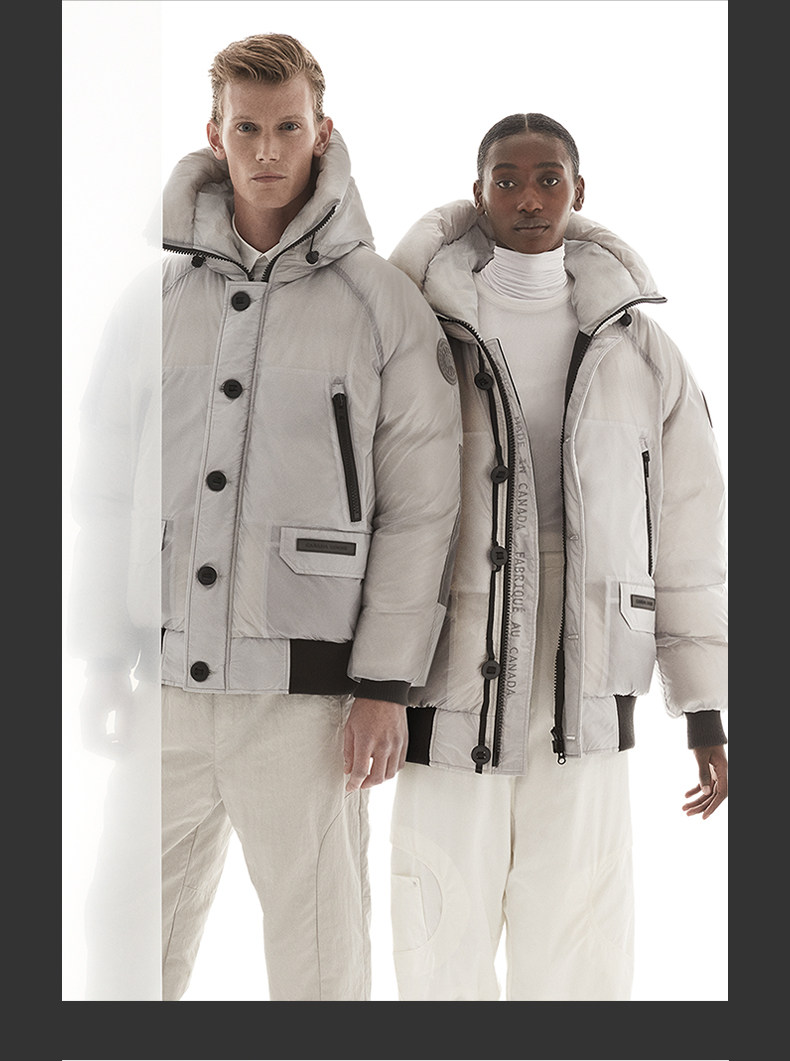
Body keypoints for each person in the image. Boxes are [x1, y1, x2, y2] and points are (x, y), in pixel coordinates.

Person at [74, 33, 462, 1002]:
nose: (267, 151)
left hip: (305, 704)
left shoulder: (382, 304)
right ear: (215, 134)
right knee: (122, 934)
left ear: (322, 132)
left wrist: (383, 683)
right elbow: (104, 486)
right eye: (246, 129)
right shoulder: (155, 298)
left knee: (318, 952)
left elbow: (421, 507)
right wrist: (104, 650)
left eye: (288, 127)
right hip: (167, 684)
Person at [386, 112, 727, 1002]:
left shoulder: (641, 348)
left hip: (588, 664)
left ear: (580, 191)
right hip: (450, 657)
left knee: (577, 926)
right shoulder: (421, 329)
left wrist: (704, 709)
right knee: (440, 914)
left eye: (548, 179)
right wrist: (364, 677)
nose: (528, 198)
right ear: (478, 193)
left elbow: (689, 530)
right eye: (507, 179)